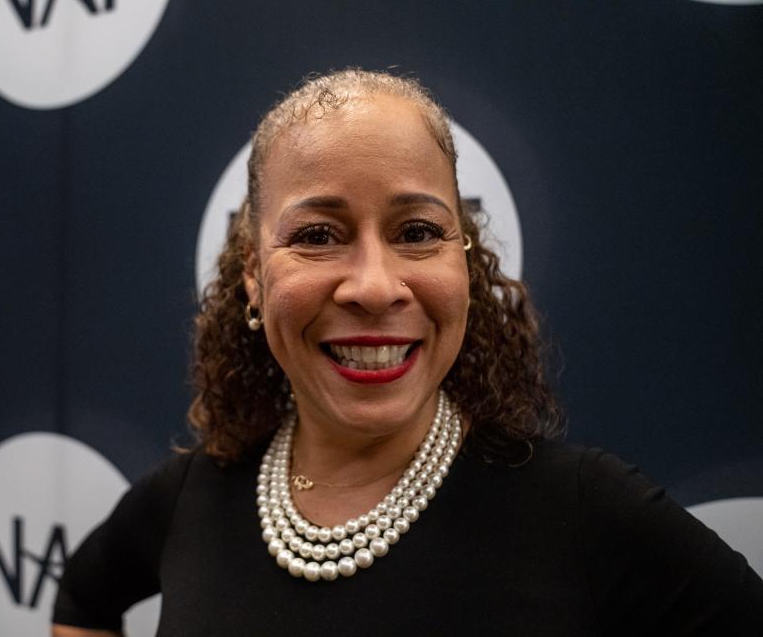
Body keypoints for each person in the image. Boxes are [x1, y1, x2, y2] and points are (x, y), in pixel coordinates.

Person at [52, 69, 762, 636]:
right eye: (319, 236)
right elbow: (84, 595)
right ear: (254, 280)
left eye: (417, 231)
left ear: (466, 262)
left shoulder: (583, 512)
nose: (373, 285)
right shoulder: (192, 497)